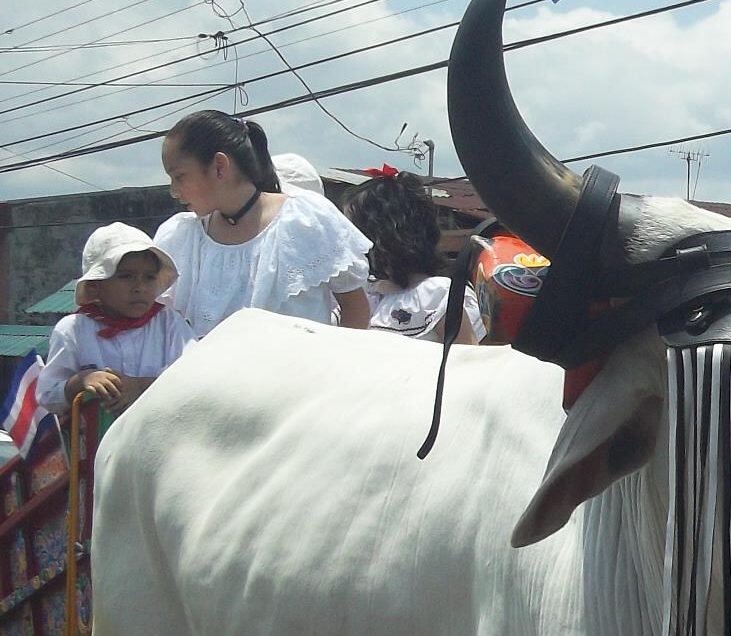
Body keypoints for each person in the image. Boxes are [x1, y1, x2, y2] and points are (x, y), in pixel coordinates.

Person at [153, 111, 372, 337]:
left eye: (179, 176)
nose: (174, 191)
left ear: (219, 166)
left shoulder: (306, 220)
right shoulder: (180, 237)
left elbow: (355, 307)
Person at [37, 223, 196, 419]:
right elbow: (47, 395)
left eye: (149, 277)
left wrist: (142, 386)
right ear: (96, 286)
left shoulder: (169, 323)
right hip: (95, 444)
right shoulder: (73, 329)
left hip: (160, 440)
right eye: (126, 276)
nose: (140, 287)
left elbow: (195, 377)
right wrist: (81, 381)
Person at [339, 170, 483, 344]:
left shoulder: (437, 294)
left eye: (353, 230)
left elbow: (467, 360)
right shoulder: (364, 293)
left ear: (381, 233)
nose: (347, 239)